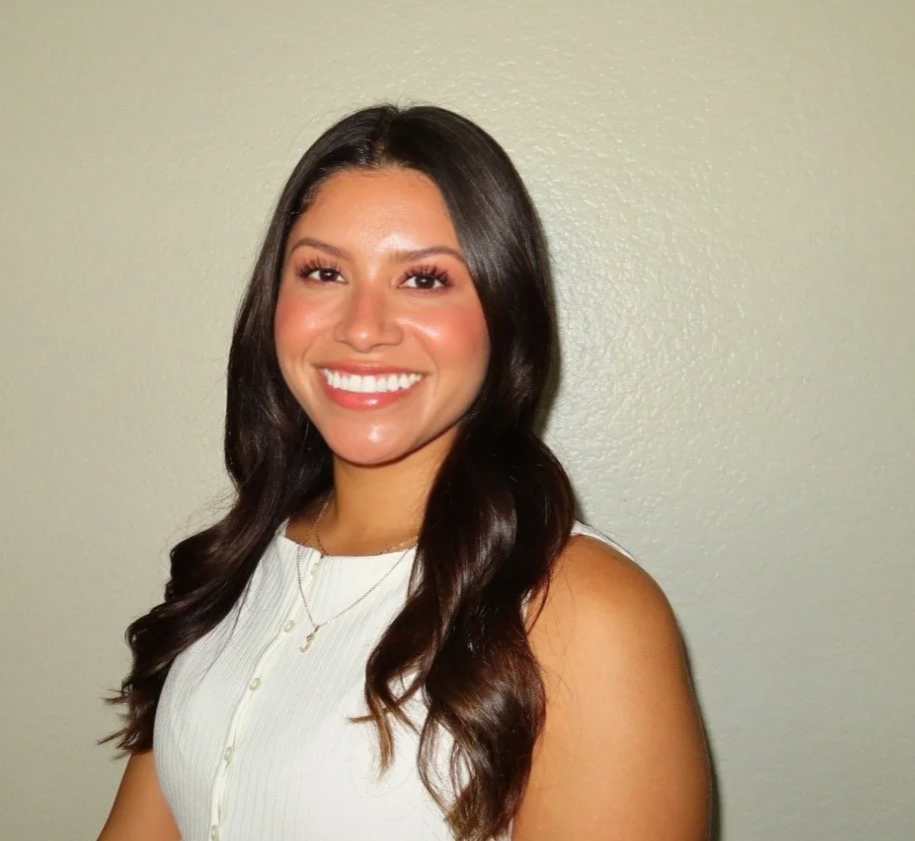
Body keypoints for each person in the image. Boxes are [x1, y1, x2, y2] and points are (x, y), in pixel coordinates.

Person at [96, 104, 711, 841]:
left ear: (504, 309)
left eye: (424, 279)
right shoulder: (234, 565)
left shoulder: (585, 610)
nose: (362, 326)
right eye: (323, 271)